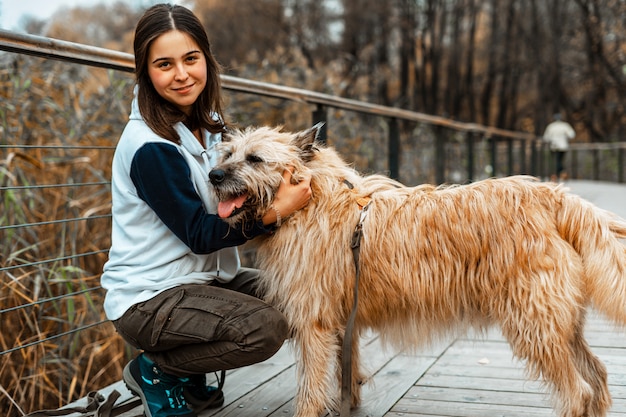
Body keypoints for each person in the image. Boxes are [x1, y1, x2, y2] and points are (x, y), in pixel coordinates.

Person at [100, 4, 312, 417]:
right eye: (164, 64)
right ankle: (158, 371)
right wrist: (273, 215)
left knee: (299, 297)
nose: (181, 74)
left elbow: (244, 191)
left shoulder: (208, 123)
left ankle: (187, 373)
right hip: (149, 298)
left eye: (190, 59)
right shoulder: (149, 147)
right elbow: (200, 233)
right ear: (145, 72)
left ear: (207, 62)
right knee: (263, 329)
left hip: (203, 282)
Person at [543, 113, 575, 181]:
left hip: (554, 146)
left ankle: (557, 174)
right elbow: (572, 135)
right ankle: (561, 172)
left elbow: (546, 137)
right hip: (563, 145)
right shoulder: (565, 126)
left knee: (556, 160)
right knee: (560, 160)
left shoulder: (551, 126)